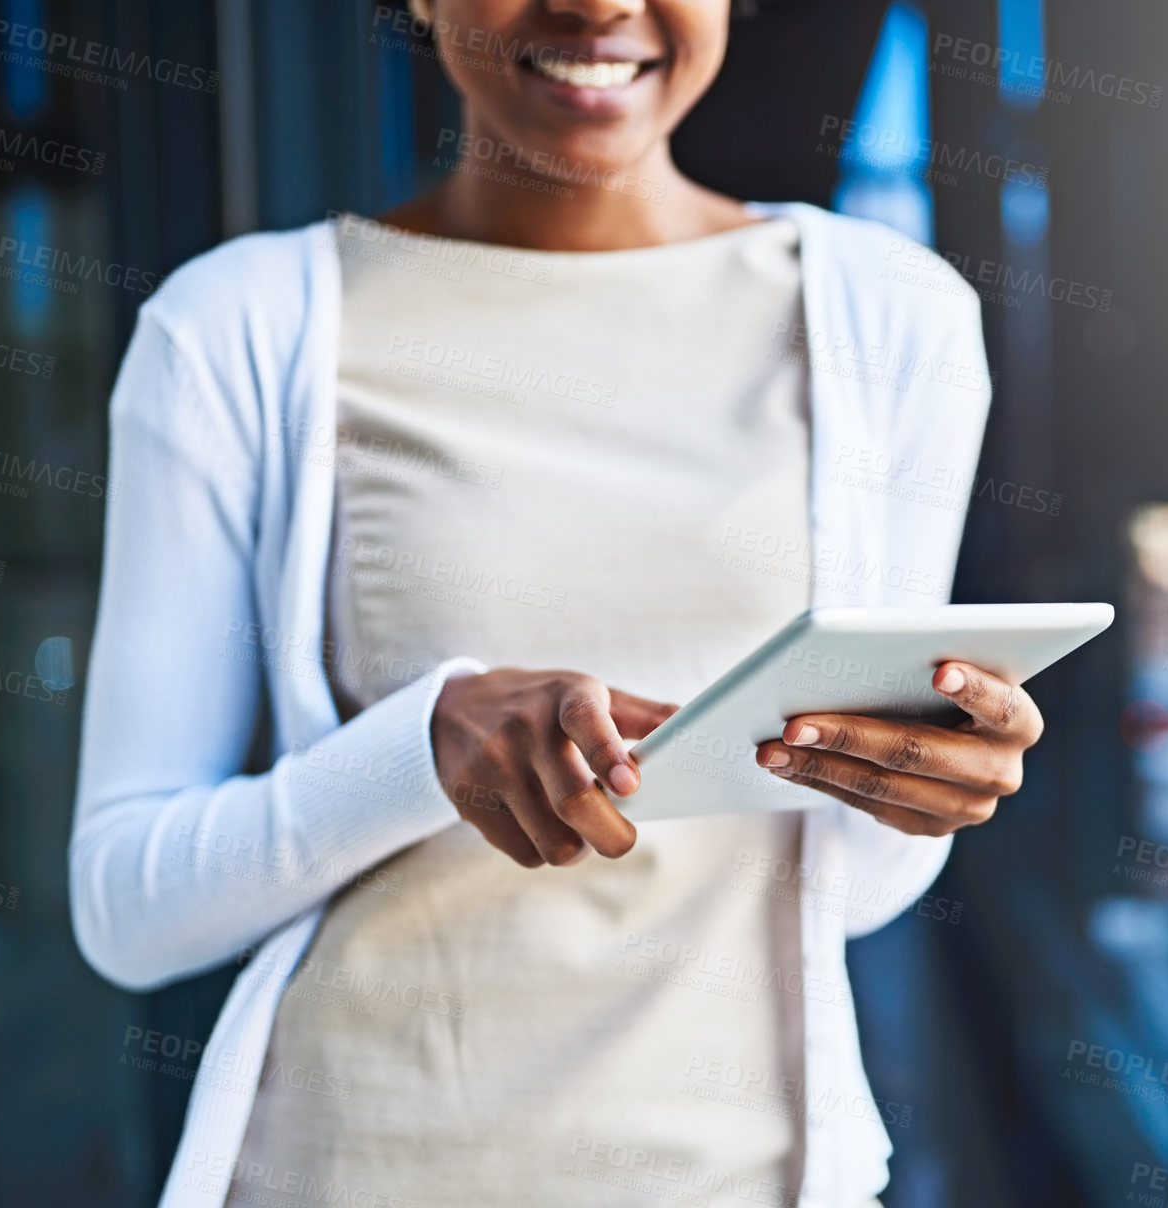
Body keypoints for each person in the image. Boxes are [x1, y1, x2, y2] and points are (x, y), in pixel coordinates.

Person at [70, 1, 1043, 1205]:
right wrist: (419, 744)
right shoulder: (235, 328)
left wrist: (917, 791)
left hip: (741, 1172)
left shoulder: (895, 319)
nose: (595, 5)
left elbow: (841, 889)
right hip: (348, 1162)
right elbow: (126, 906)